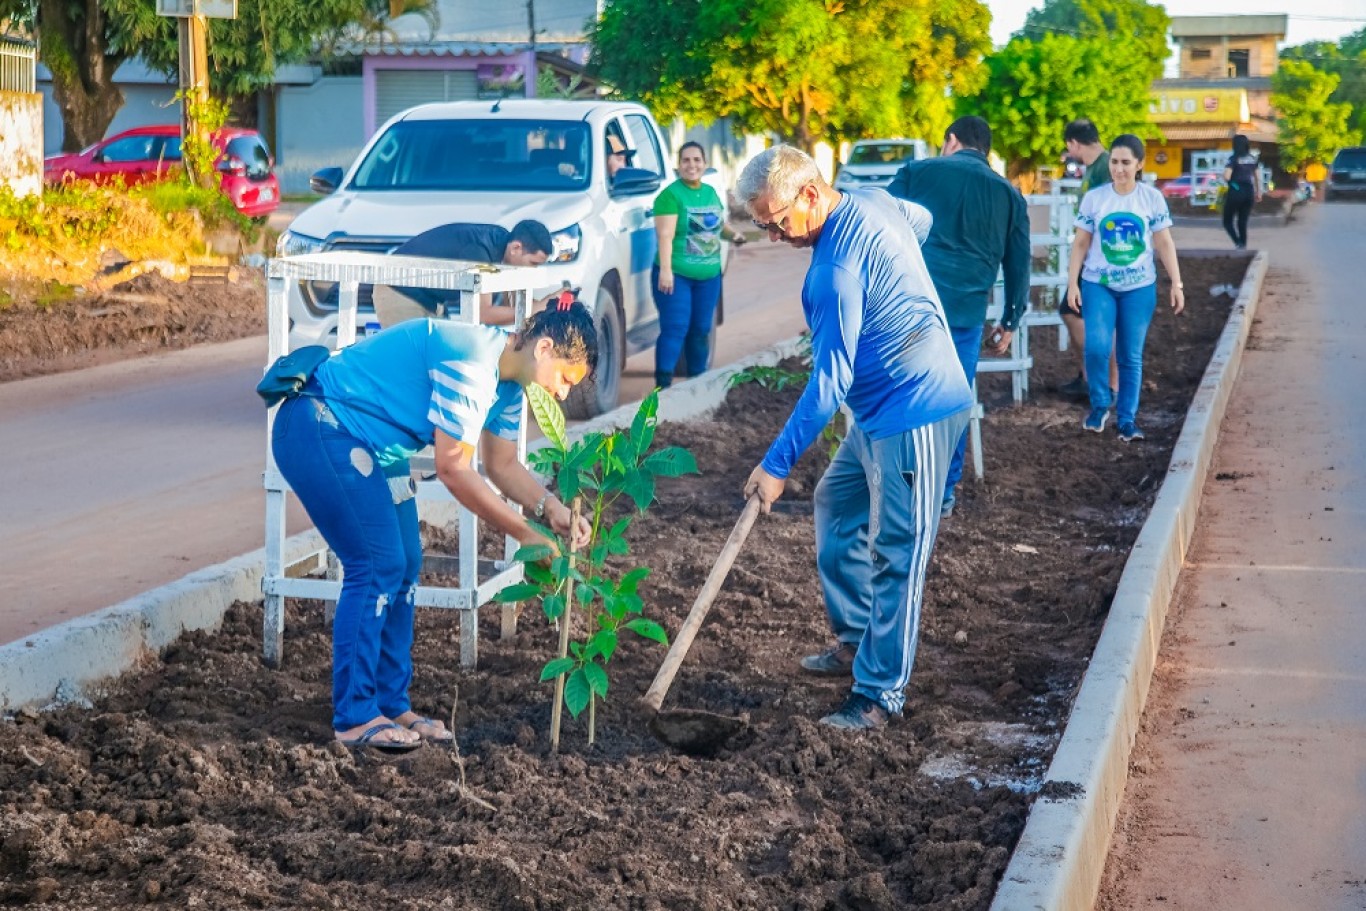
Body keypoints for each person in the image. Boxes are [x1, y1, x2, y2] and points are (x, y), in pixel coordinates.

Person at [270, 306, 597, 752]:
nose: (561, 395)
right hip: (323, 425)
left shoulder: (508, 386)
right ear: (544, 348)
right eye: (566, 379)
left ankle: (390, 702)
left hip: (372, 446)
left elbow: (500, 465)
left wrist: (550, 507)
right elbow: (453, 469)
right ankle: (355, 715)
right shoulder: (471, 363)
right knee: (376, 563)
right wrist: (525, 534)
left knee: (405, 562)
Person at [737, 145, 973, 731]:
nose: (774, 235)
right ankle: (856, 637)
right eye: (762, 225)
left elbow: (830, 379)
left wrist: (776, 463)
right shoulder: (872, 201)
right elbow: (921, 223)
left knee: (899, 549)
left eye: (777, 221)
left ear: (811, 193)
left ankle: (878, 694)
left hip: (916, 407)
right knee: (837, 506)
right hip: (875, 411)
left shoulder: (832, 271)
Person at [886, 115, 1030, 518]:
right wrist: (1010, 319)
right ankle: (942, 493)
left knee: (905, 392)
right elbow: (1018, 265)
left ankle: (899, 482)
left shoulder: (917, 172)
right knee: (952, 401)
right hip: (967, 314)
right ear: (985, 149)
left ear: (951, 140)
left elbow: (878, 224)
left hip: (910, 307)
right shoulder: (1008, 195)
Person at [1066, 134, 1185, 443]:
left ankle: (1128, 420)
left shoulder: (1151, 198)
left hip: (1139, 288)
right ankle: (1100, 405)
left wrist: (1176, 282)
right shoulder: (1095, 198)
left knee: (1130, 355)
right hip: (1098, 285)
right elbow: (1081, 242)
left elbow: (1163, 242)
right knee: (1096, 347)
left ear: (1139, 164)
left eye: (1126, 163)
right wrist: (1072, 283)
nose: (1119, 169)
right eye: (1115, 162)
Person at [652, 141, 746, 388]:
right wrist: (665, 271)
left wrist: (734, 235)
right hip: (676, 274)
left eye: (696, 160)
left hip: (709, 276)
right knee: (675, 328)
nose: (691, 165)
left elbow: (715, 225)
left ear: (704, 164)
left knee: (702, 329)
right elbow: (664, 236)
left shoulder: (710, 193)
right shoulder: (670, 196)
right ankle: (662, 388)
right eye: (686, 160)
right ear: (678, 165)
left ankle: (696, 384)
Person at [372, 219, 554, 327]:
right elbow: (483, 314)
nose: (533, 270)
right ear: (516, 248)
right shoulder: (479, 252)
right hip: (398, 290)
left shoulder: (501, 244)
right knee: (413, 367)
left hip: (427, 298)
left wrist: (550, 304)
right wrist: (535, 309)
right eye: (533, 263)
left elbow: (511, 306)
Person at [1060, 118, 1118, 401]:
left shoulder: (1105, 168)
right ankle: (1090, 376)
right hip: (1090, 255)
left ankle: (1109, 383)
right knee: (1073, 312)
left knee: (1097, 320)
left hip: (1101, 258)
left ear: (1073, 142)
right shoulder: (1096, 167)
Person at [1222, 134, 1262, 250]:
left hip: (1236, 190)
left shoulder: (1233, 159)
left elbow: (1227, 176)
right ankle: (1243, 244)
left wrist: (1228, 181)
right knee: (1242, 220)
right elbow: (1258, 177)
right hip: (1249, 191)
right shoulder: (1252, 159)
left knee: (1227, 221)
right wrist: (1258, 192)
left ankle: (1237, 242)